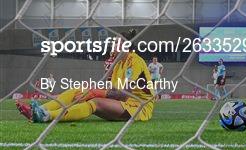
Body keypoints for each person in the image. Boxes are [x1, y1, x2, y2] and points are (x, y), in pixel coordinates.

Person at [15, 29, 155, 123]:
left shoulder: (135, 60)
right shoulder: (117, 64)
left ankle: (46, 116)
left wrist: (93, 92)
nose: (113, 44)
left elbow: (123, 94)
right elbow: (112, 90)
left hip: (139, 107)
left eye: (116, 41)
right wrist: (102, 79)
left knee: (95, 102)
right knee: (79, 90)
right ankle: (39, 110)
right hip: (124, 104)